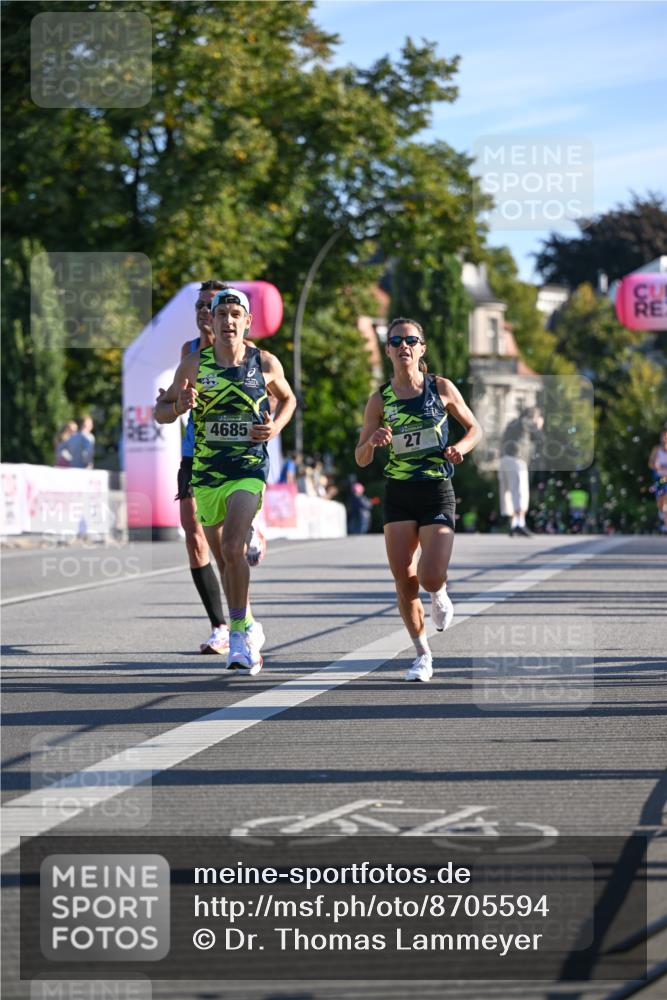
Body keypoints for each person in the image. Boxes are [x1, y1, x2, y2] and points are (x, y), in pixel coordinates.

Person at [155, 287, 296, 674]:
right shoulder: (193, 364)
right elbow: (160, 410)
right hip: (207, 473)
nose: (229, 321)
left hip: (247, 469)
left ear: (247, 321)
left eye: (236, 314)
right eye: (222, 315)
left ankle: (237, 638)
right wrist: (178, 406)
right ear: (211, 323)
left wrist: (275, 427)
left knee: (233, 546)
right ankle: (248, 623)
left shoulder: (265, 363)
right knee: (222, 555)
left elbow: (289, 400)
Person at [355, 317, 482, 682]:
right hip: (398, 492)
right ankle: (422, 654)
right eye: (396, 341)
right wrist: (372, 442)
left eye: (411, 340)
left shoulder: (440, 387)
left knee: (429, 575)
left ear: (421, 348)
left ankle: (439, 592)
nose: (404, 346)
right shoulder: (380, 399)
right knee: (404, 579)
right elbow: (360, 456)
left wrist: (459, 448)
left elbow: (475, 428)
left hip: (435, 488)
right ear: (388, 350)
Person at [174, 279, 230, 655]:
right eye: (199, 306)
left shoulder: (248, 353)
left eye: (210, 305)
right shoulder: (189, 351)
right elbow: (174, 402)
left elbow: (271, 399)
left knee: (226, 543)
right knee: (194, 534)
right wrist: (176, 400)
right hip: (195, 453)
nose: (203, 311)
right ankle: (220, 626)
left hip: (233, 455)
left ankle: (253, 532)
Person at [498, 405, 543, 537]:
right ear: (532, 416)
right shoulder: (526, 422)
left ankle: (513, 525)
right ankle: (520, 524)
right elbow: (539, 438)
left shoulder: (512, 423)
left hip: (504, 460)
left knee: (508, 492)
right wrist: (538, 425)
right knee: (520, 491)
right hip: (516, 460)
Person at [648, 425, 667, 534]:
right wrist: (656, 466)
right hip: (659, 478)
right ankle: (662, 514)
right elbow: (650, 463)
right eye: (663, 437)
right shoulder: (656, 450)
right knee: (660, 502)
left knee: (666, 500)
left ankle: (665, 524)